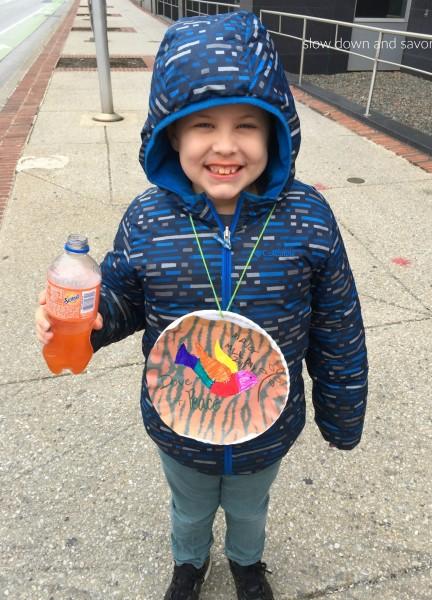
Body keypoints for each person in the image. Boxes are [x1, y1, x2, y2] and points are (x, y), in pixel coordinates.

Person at [36, 11, 368, 600]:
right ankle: (188, 562)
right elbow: (124, 296)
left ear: (276, 132)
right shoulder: (148, 218)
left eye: (247, 125)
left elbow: (338, 324)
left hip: (265, 429)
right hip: (180, 425)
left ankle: (247, 563)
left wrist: (341, 414)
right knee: (188, 507)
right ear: (170, 134)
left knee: (250, 507)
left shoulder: (308, 220)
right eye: (201, 125)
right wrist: (89, 322)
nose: (224, 145)